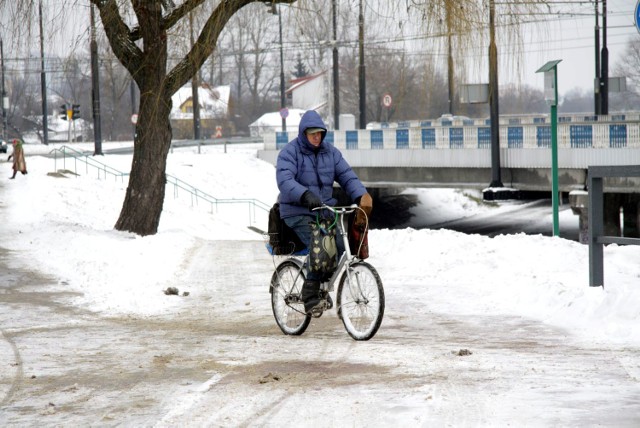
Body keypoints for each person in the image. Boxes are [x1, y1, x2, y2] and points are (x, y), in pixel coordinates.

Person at [276, 110, 372, 314]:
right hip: (297, 210)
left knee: (340, 244)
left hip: (324, 210)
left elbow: (347, 176)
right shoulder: (290, 152)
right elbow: (285, 181)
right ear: (303, 133)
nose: (316, 137)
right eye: (312, 133)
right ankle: (310, 291)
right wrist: (305, 195)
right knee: (321, 243)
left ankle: (320, 286)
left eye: (319, 133)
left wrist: (361, 196)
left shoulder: (331, 153)